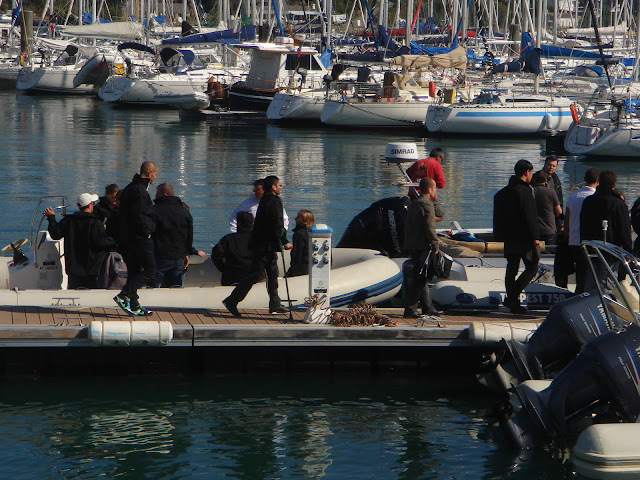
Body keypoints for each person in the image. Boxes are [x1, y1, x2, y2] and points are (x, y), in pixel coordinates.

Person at [223, 175, 293, 317]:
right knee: (254, 275)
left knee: (272, 273)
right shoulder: (274, 201)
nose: (280, 187)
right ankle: (232, 300)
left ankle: (275, 303)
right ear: (273, 187)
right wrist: (284, 240)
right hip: (266, 246)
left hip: (261, 243)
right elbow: (277, 224)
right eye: (279, 185)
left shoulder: (264, 200)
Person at [113, 161, 158, 316]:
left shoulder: (131, 188)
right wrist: (147, 232)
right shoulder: (139, 191)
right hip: (140, 237)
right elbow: (139, 215)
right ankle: (124, 294)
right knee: (151, 271)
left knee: (134, 271)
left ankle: (134, 304)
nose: (155, 177)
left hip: (129, 238)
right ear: (150, 173)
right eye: (155, 174)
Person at [43, 193, 116, 289]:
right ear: (90, 205)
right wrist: (114, 240)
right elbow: (100, 242)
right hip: (92, 269)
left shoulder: (68, 221)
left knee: (74, 289)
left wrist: (51, 218)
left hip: (73, 268)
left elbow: (55, 234)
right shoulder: (96, 223)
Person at [580, 169, 632, 295]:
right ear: (614, 185)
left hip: (591, 247)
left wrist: (583, 243)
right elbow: (624, 229)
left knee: (591, 281)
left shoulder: (588, 201)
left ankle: (589, 303)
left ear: (598, 181)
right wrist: (628, 250)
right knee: (606, 284)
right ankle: (604, 305)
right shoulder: (618, 204)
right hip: (610, 251)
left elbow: (582, 223)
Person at [499, 159, 540, 314]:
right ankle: (512, 297)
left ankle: (513, 300)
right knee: (532, 266)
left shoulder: (504, 192)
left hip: (509, 236)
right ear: (527, 172)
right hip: (524, 237)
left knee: (512, 267)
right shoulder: (524, 191)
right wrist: (535, 236)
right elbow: (530, 216)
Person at [152, 183, 206, 288]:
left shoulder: (155, 210)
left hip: (160, 256)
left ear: (164, 194)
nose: (155, 197)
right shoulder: (184, 212)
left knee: (153, 288)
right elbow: (189, 236)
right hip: (179, 257)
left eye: (157, 194)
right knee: (176, 288)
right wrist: (187, 252)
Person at [402, 177, 441, 318]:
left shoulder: (415, 203)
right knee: (420, 278)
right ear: (429, 189)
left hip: (412, 244)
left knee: (421, 277)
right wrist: (435, 243)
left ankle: (427, 307)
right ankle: (410, 309)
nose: (436, 191)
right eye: (434, 188)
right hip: (422, 245)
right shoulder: (426, 204)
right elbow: (430, 226)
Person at [564, 168, 598, 293]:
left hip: (573, 239)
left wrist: (567, 235)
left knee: (580, 272)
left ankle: (578, 293)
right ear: (597, 181)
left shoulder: (573, 196)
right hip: (589, 241)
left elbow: (567, 219)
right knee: (591, 274)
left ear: (584, 179)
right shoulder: (595, 197)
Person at [212, 211, 254, 286]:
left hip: (231, 277)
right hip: (253, 277)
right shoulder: (258, 240)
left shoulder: (228, 239)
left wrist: (223, 268)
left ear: (238, 223)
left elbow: (216, 255)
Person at [531, 170, 561, 246]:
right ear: (545, 180)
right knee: (549, 250)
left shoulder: (529, 192)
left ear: (533, 180)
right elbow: (559, 211)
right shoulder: (551, 191)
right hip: (549, 229)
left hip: (533, 230)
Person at [287, 209, 315, 277]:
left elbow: (297, 254)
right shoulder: (313, 233)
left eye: (298, 217)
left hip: (301, 268)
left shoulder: (299, 234)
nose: (295, 219)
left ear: (304, 219)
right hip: (311, 266)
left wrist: (292, 270)